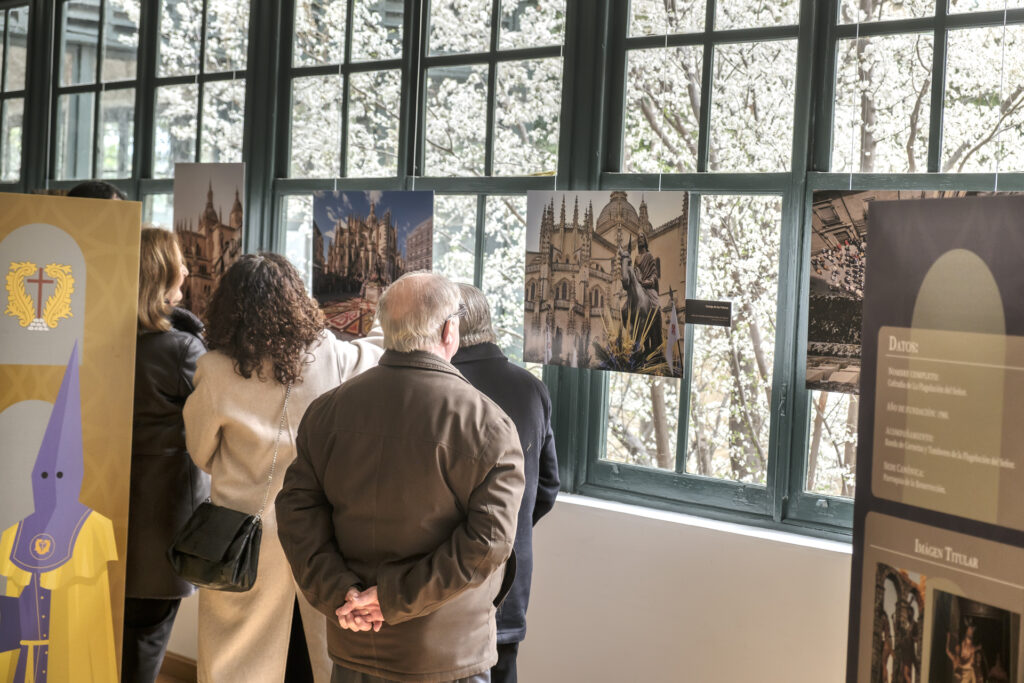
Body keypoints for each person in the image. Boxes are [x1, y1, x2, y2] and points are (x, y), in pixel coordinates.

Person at [276, 272, 525, 683]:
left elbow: (295, 514)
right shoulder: (488, 425)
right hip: (445, 654)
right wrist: (393, 600)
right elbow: (488, 543)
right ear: (449, 331)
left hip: (354, 639)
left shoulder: (327, 411)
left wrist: (341, 593)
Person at [183, 253, 384, 683]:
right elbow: (381, 351)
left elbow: (200, 453)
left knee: (238, 660)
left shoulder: (215, 370)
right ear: (297, 299)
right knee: (313, 654)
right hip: (318, 532)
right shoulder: (331, 355)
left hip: (242, 536)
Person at [450, 284, 559, 683]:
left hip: (446, 583)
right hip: (511, 576)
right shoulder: (531, 387)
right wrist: (510, 528)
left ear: (447, 327)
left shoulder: (437, 389)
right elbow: (547, 487)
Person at [122, 228, 206, 683]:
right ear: (160, 274)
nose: (188, 270)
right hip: (159, 536)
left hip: (98, 521)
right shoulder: (181, 349)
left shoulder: (101, 338)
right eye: (179, 263)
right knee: (143, 653)